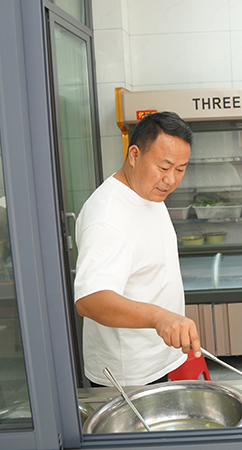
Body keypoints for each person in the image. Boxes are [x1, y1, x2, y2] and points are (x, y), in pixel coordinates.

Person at [74, 111, 201, 387]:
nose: (171, 180)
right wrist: (160, 317)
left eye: (181, 169)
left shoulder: (147, 191)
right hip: (128, 375)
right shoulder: (107, 218)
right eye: (164, 167)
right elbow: (90, 299)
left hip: (158, 358)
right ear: (134, 155)